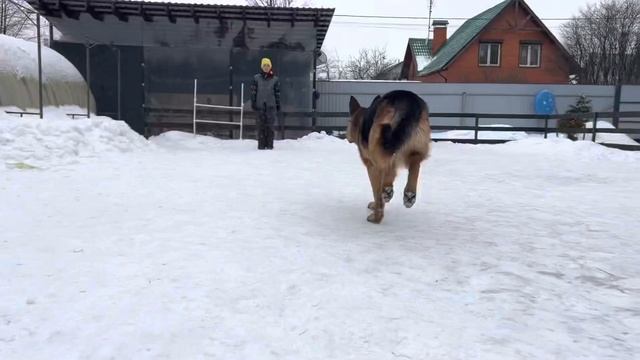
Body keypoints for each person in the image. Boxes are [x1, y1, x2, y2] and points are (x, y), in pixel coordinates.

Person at [251, 57, 281, 150]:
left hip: (271, 106)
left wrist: (278, 103)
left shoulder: (275, 79)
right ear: (262, 66)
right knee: (261, 126)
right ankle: (261, 145)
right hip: (260, 106)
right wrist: (253, 102)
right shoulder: (256, 78)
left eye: (268, 65)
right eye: (264, 65)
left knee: (270, 127)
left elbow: (277, 93)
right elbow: (253, 91)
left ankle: (269, 145)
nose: (266, 67)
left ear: (270, 66)